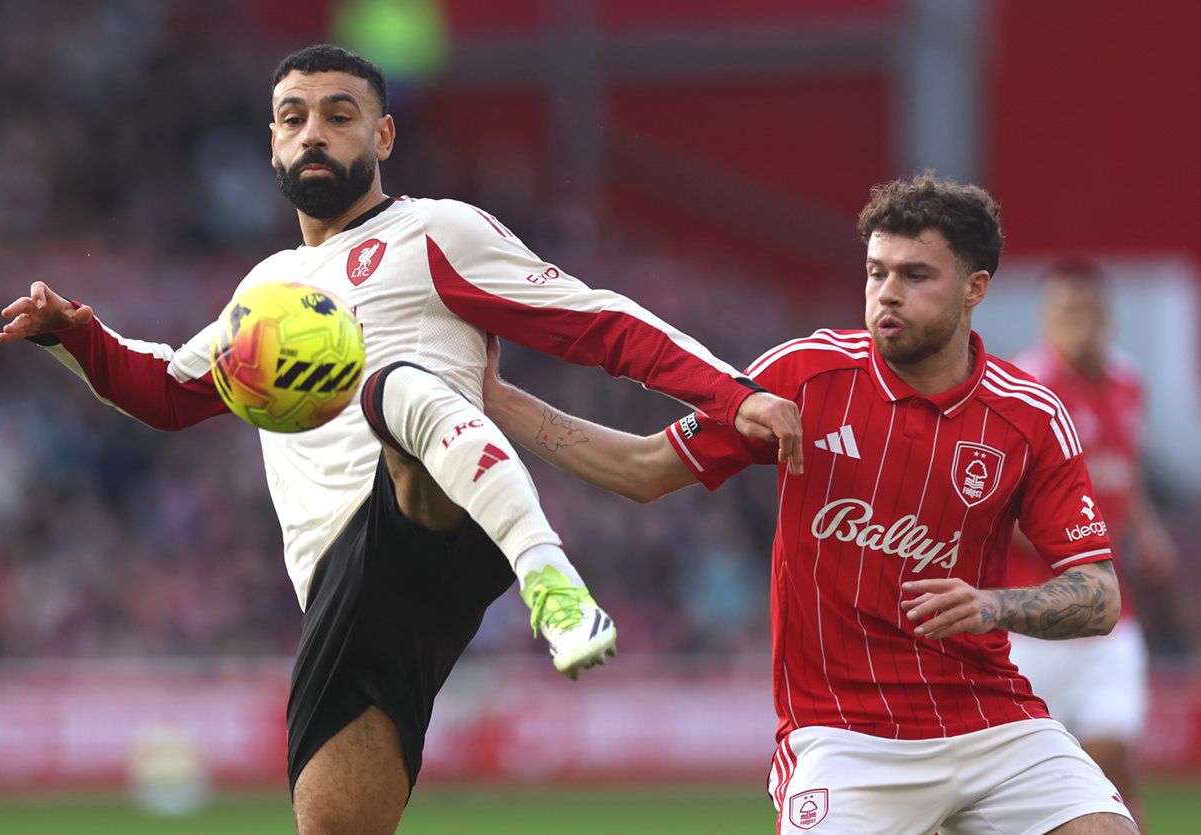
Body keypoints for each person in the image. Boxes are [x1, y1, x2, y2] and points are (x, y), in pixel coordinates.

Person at [0, 45, 802, 835]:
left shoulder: (436, 232)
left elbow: (597, 323)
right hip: (343, 584)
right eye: (293, 118)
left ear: (382, 137)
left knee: (391, 388)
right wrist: (77, 337)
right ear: (272, 143)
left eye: (339, 116)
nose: (314, 132)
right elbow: (171, 394)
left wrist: (734, 396)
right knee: (335, 822)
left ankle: (550, 579)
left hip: (440, 509)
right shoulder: (264, 294)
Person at [483, 173, 1140, 834]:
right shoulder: (803, 377)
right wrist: (498, 400)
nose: (886, 293)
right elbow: (641, 469)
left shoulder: (1029, 415)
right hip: (846, 736)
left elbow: (1099, 592)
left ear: (974, 289)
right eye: (875, 272)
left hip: (993, 721)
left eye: (915, 276)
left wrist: (992, 604)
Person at [1006, 259, 1179, 828]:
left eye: (1091, 311)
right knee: (1016, 780)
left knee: (1113, 758)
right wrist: (1065, 545)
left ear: (1108, 316)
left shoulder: (1130, 386)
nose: (1082, 324)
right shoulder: (1024, 393)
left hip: (1110, 614)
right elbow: (994, 506)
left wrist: (1146, 531)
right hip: (1034, 617)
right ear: (1047, 318)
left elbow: (1121, 476)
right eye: (1068, 311)